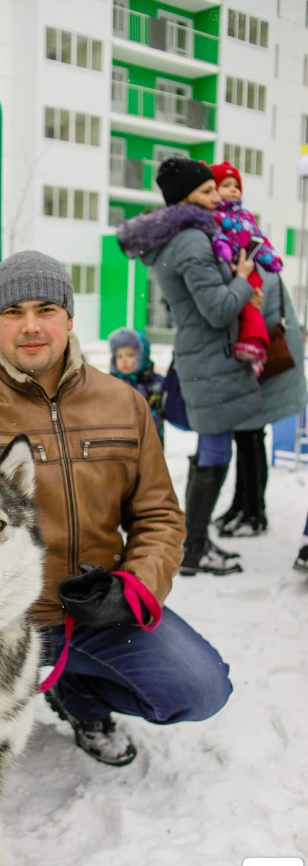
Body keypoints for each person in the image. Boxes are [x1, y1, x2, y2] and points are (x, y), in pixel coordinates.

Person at [0, 251, 233, 767]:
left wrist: (132, 590)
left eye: (45, 309)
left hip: (97, 609)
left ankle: (78, 695)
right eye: (13, 312)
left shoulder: (122, 404)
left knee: (200, 688)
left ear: (68, 317)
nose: (31, 326)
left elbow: (160, 516)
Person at [118, 157, 265, 577]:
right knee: (216, 450)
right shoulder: (193, 242)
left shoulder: (175, 239)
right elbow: (217, 310)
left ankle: (192, 540)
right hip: (211, 356)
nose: (217, 195)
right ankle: (195, 546)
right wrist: (242, 279)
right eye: (206, 191)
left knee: (210, 449)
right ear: (185, 198)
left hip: (200, 355)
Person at [214, 273, 307, 537]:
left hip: (264, 359)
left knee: (250, 435)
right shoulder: (259, 267)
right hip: (260, 356)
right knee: (247, 435)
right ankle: (242, 505)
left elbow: (247, 310)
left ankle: (254, 513)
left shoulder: (256, 272)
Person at [210, 160, 283, 377]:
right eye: (226, 185)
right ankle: (252, 344)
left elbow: (258, 239)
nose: (233, 189)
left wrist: (270, 258)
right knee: (242, 305)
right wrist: (221, 246)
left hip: (248, 266)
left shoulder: (245, 216)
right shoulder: (215, 215)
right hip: (231, 268)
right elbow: (215, 235)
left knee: (253, 304)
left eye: (236, 185)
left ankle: (254, 345)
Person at [108, 327, 164, 445]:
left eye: (130, 355)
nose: (124, 360)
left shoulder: (155, 383)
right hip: (118, 442)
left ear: (143, 355)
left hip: (150, 442)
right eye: (119, 356)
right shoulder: (110, 384)